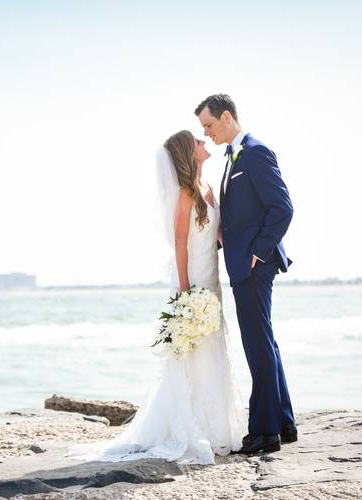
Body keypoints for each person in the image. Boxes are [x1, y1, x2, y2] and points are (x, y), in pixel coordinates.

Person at [65, 130, 246, 465]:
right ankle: (193, 426)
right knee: (194, 353)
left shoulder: (207, 189)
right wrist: (184, 291)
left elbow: (216, 234)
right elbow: (179, 244)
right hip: (193, 282)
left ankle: (220, 426)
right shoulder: (184, 194)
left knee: (214, 348)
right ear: (187, 154)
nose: (204, 144)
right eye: (197, 142)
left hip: (213, 279)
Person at [195, 93, 297, 455]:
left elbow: (282, 209)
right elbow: (242, 215)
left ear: (226, 117)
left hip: (255, 266)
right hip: (242, 263)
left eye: (208, 125)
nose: (206, 133)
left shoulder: (254, 152)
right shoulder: (232, 158)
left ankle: (264, 433)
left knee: (257, 345)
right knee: (264, 342)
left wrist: (256, 253)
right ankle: (283, 423)